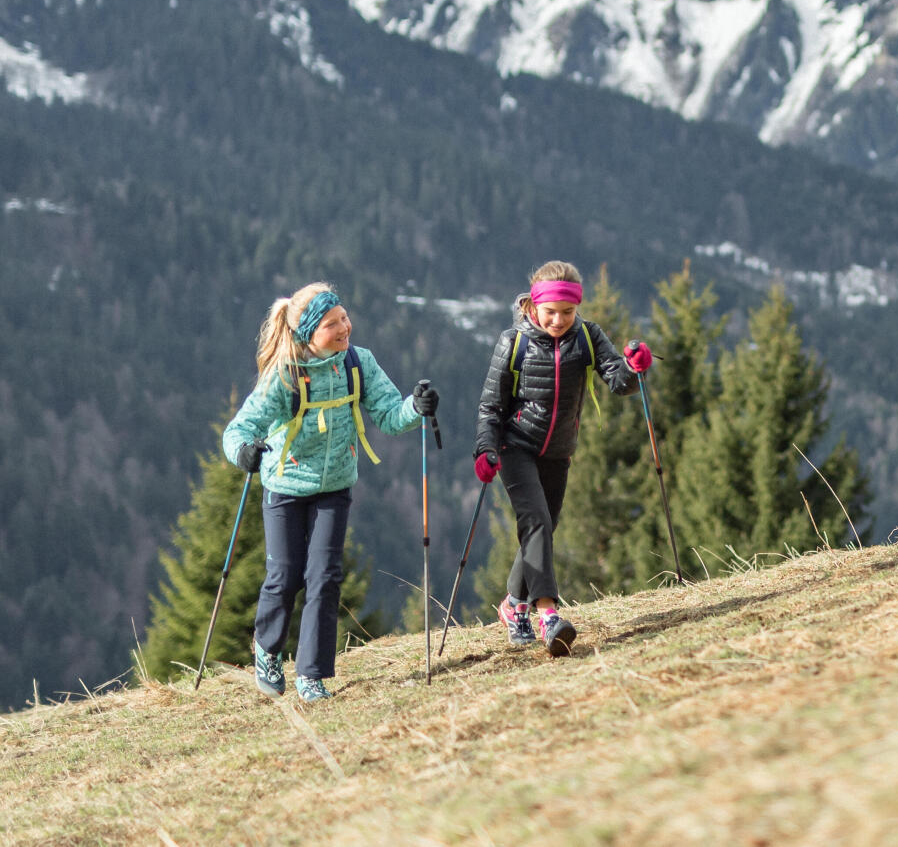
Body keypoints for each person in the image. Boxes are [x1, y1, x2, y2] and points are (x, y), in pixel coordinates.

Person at [223, 283, 437, 701]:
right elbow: (240, 429)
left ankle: (311, 674)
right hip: (284, 487)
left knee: (324, 577)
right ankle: (267, 649)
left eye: (344, 317)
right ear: (308, 335)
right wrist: (244, 452)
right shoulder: (286, 375)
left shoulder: (359, 363)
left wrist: (416, 406)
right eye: (331, 323)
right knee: (285, 575)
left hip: (335, 487)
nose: (345, 327)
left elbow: (390, 417)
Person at [473, 261, 651, 655]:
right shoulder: (513, 342)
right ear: (533, 306)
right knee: (535, 520)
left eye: (567, 312)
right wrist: (485, 449)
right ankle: (548, 615)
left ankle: (512, 605)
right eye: (550, 312)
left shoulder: (587, 336)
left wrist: (634, 367)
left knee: (543, 528)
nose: (558, 320)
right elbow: (490, 406)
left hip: (558, 451)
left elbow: (616, 380)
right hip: (515, 447)